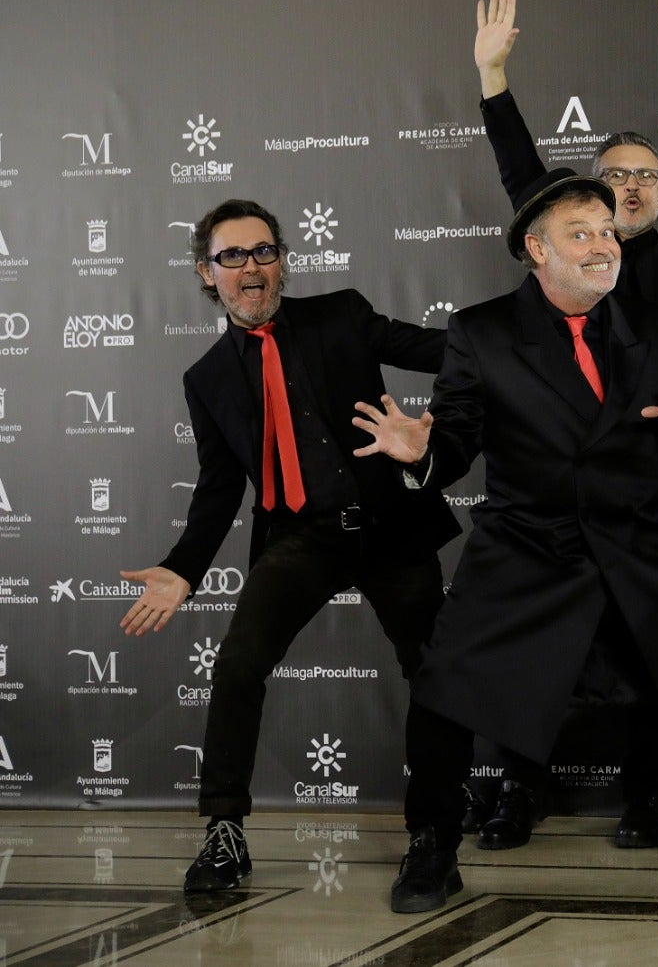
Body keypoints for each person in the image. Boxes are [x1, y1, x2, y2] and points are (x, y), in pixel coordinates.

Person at [356, 169, 658, 913]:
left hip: (640, 538)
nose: (603, 245)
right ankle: (433, 846)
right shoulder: (482, 332)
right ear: (537, 250)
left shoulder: (654, 323)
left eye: (607, 232)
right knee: (445, 687)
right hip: (530, 542)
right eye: (583, 233)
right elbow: (458, 442)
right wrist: (424, 456)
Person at [470, 0, 658, 851]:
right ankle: (514, 795)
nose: (630, 186)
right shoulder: (560, 245)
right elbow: (522, 173)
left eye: (646, 176)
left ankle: (654, 802)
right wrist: (492, 79)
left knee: (656, 655)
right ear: (580, 206)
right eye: (615, 175)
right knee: (534, 656)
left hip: (644, 488)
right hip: (550, 493)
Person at [119, 198, 459, 894]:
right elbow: (219, 488)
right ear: (206, 272)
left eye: (263, 252)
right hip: (300, 536)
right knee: (238, 664)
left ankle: (434, 835)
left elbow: (444, 352)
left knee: (433, 670)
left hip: (389, 525)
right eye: (232, 256)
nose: (251, 267)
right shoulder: (207, 378)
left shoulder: (342, 315)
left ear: (283, 262)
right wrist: (184, 569)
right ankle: (223, 833)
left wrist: (519, 341)